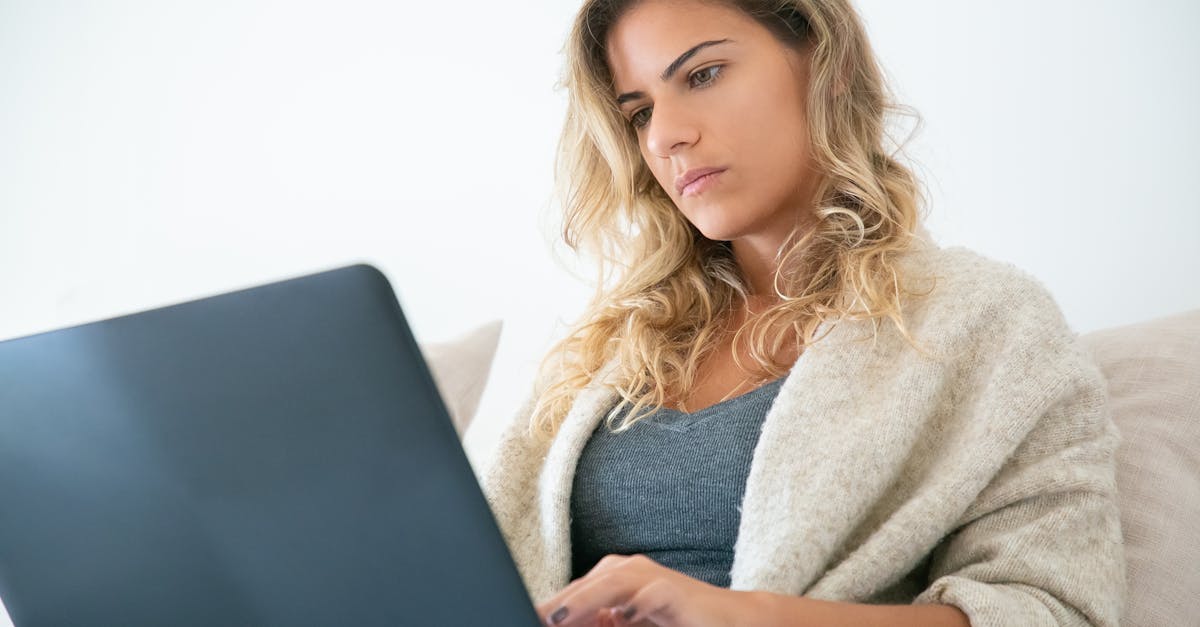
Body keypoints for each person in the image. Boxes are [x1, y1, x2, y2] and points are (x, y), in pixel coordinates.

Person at [477, 1, 1126, 625]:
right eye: (640, 112)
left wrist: (746, 616)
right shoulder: (608, 349)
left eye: (702, 75)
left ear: (826, 63)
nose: (668, 135)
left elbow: (1053, 607)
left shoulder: (986, 320)